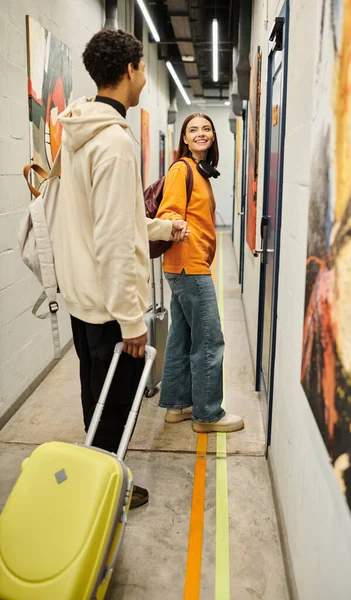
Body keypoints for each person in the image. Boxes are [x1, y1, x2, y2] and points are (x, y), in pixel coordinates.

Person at [53, 29, 188, 508]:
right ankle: (105, 496)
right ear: (130, 70)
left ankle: (97, 479)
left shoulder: (77, 132)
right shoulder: (112, 143)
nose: (145, 78)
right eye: (143, 68)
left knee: (97, 395)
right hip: (110, 306)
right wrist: (133, 321)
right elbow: (111, 240)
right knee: (117, 408)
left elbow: (108, 221)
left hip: (83, 296)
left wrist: (158, 228)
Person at [156, 114, 244, 433]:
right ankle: (207, 414)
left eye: (206, 128)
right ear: (185, 138)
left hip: (184, 266)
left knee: (182, 335)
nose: (201, 133)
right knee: (209, 338)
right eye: (193, 130)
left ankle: (177, 405)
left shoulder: (200, 172)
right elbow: (169, 209)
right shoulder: (182, 169)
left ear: (213, 136)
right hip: (188, 265)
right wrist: (176, 224)